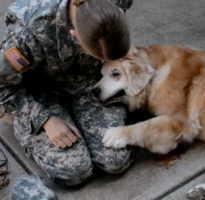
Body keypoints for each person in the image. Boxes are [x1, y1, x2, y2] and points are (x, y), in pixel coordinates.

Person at [0, 0, 134, 186]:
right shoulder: (27, 32)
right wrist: (44, 119)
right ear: (74, 36)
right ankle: (17, 121)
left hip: (86, 82)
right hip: (39, 94)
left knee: (115, 161)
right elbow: (2, 86)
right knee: (74, 171)